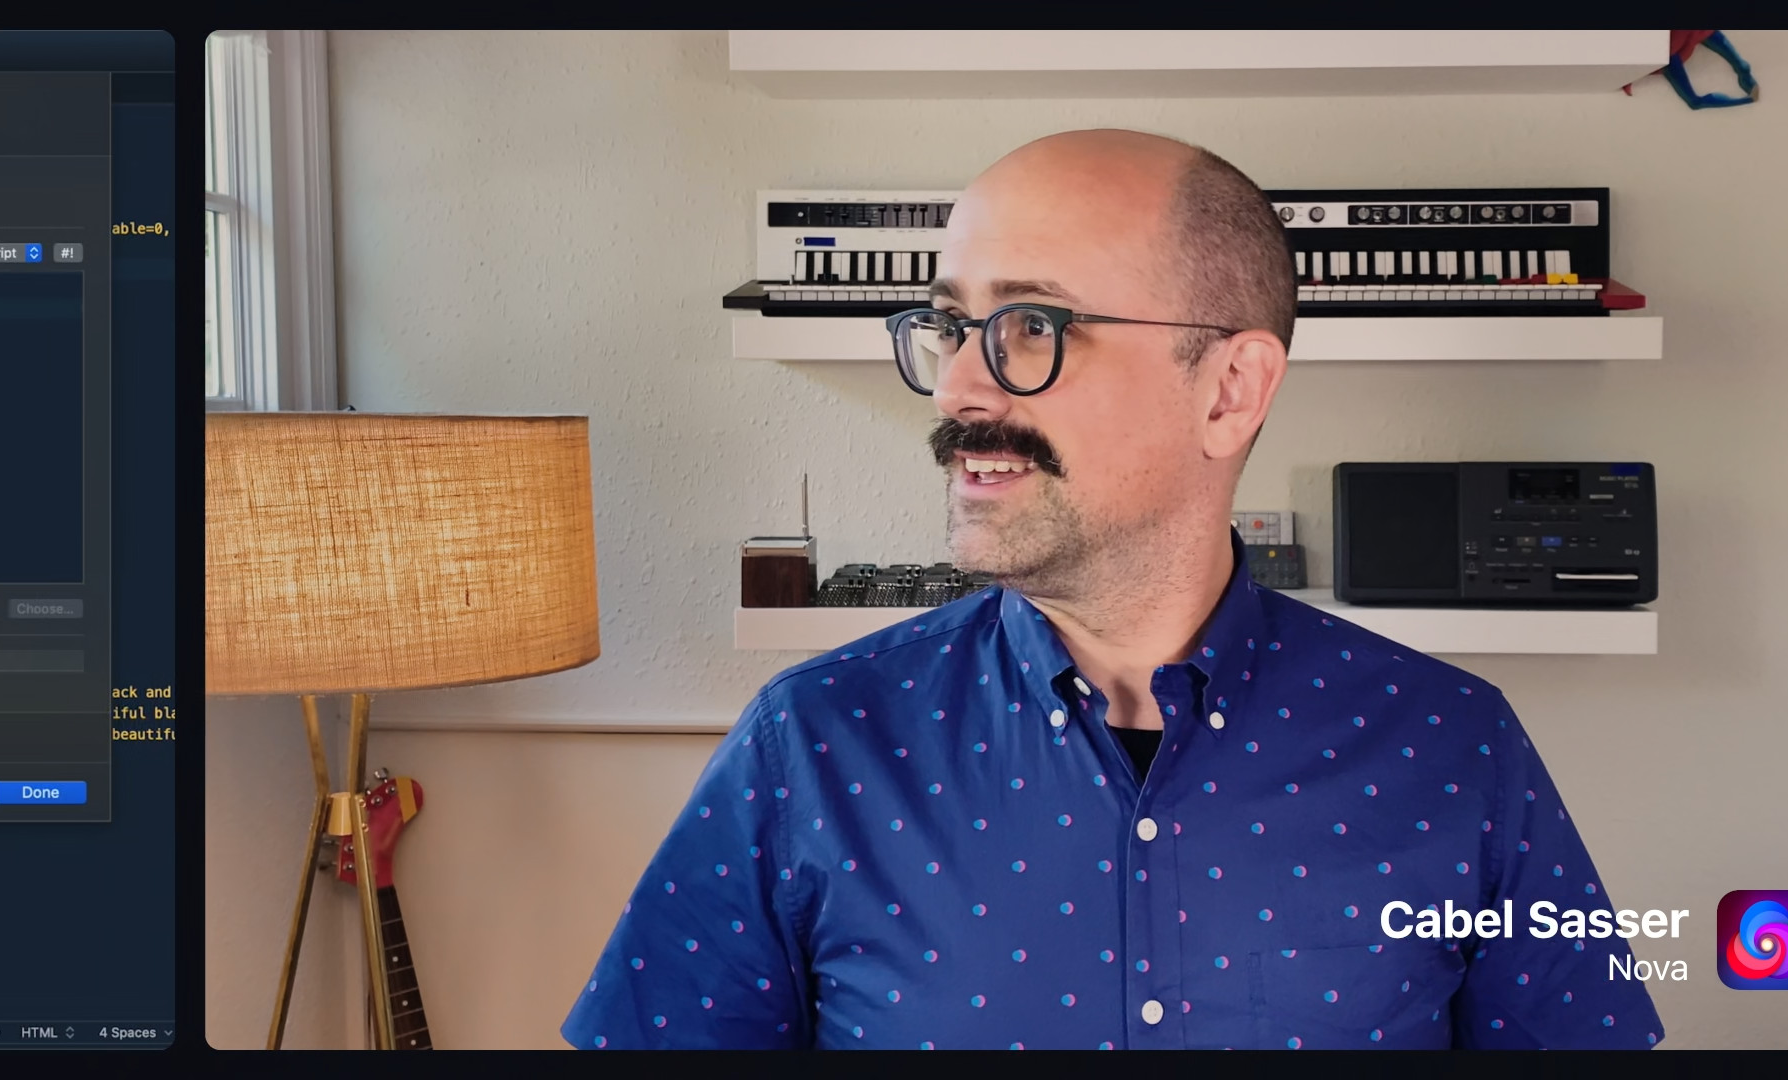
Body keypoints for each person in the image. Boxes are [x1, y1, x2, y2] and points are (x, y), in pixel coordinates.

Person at [563, 128, 1665, 1050]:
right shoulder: (812, 743)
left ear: (1231, 390)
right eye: (949, 326)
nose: (956, 385)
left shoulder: (1450, 746)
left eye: (1032, 325)